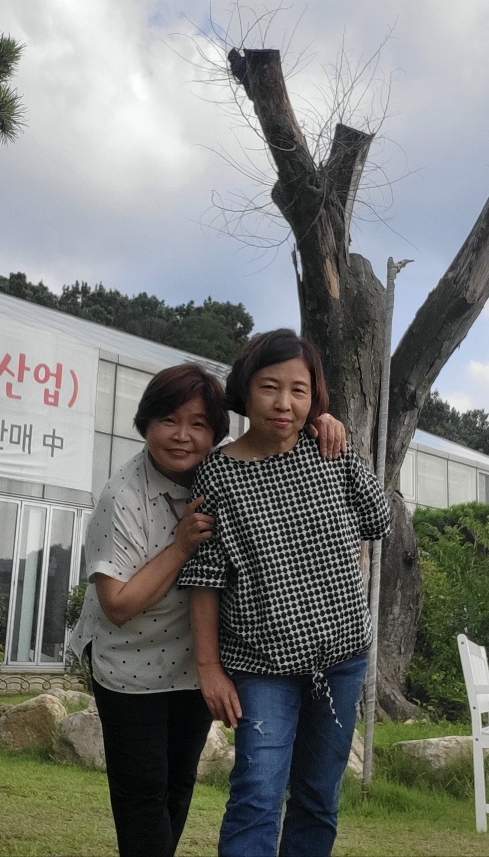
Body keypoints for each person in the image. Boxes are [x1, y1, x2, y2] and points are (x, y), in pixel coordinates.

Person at [67, 362, 346, 857]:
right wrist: (180, 547)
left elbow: (280, 443)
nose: (182, 436)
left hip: (195, 663)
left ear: (216, 432)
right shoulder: (123, 496)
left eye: (198, 424)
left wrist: (322, 422)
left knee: (177, 789)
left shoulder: (224, 472)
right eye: (168, 421)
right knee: (142, 796)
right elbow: (117, 605)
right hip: (129, 669)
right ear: (145, 423)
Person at [176, 329, 391, 857]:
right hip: (262, 665)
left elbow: (378, 520)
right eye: (270, 387)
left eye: (299, 390)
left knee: (318, 797)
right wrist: (209, 668)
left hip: (341, 658)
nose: (284, 403)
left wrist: (340, 440)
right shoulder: (217, 474)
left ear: (314, 397)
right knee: (257, 794)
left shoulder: (328, 450)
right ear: (246, 389)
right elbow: (205, 578)